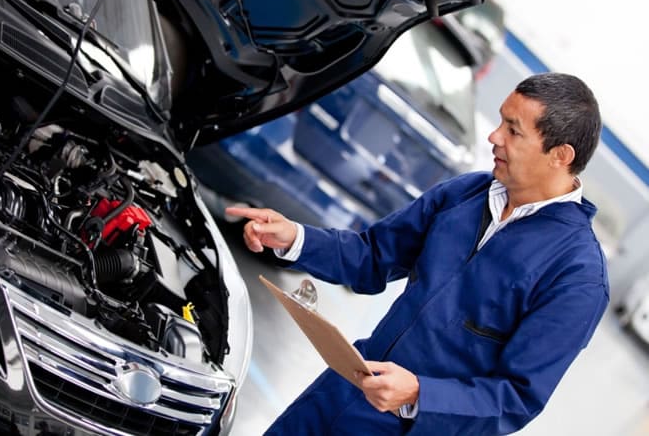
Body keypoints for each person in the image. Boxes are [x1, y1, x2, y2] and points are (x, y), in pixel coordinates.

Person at [226, 72, 609, 435]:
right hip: (342, 391)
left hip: (413, 426)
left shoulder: (576, 275)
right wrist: (295, 237)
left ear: (560, 155)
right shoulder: (467, 194)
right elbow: (372, 256)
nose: (494, 137)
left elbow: (515, 398)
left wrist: (419, 395)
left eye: (513, 131)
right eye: (500, 122)